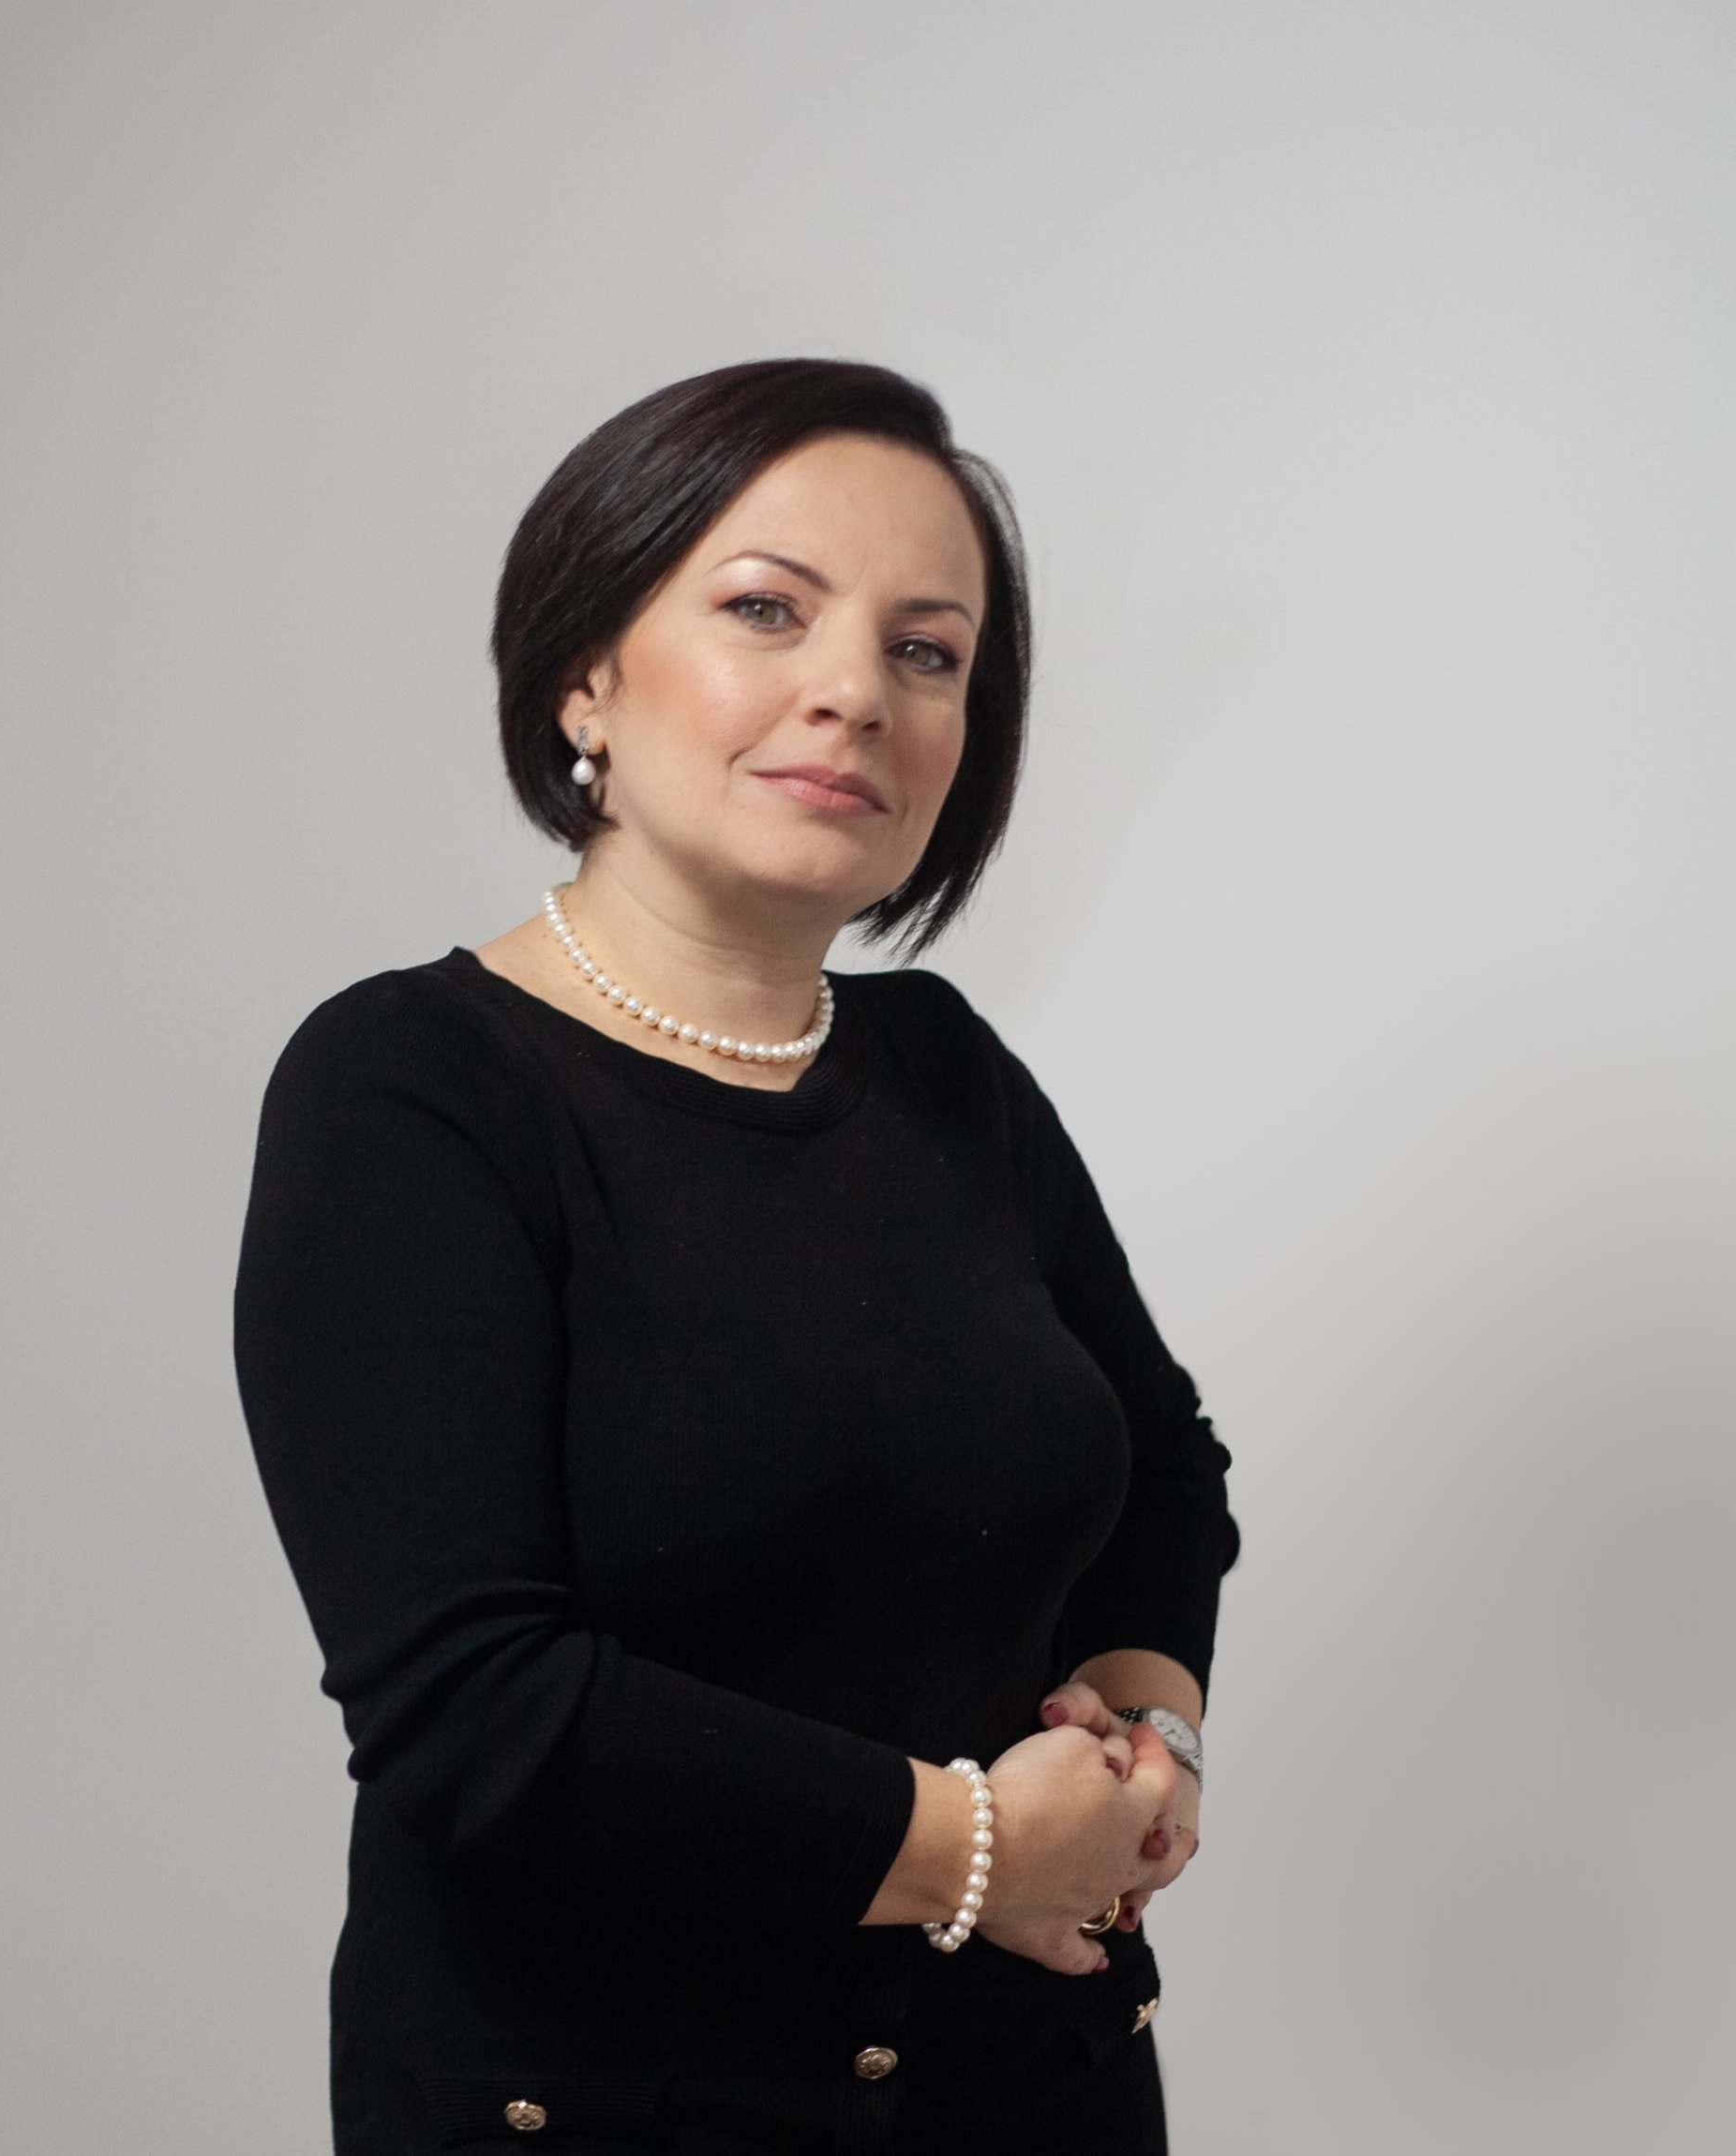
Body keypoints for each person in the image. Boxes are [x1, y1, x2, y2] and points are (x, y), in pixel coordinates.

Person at [232, 357, 1239, 2156]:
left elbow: (1162, 1463)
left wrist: (1149, 1739)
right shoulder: (410, 1091)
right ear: (585, 674)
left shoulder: (947, 1075)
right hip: (612, 2107)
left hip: (1039, 2088)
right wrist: (985, 1852)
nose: (855, 690)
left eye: (929, 651)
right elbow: (478, 1710)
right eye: (767, 609)